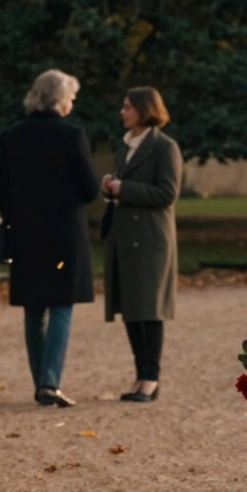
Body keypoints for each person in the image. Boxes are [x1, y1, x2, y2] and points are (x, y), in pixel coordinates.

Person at [0, 69, 99, 408]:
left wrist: (16, 215)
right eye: (71, 97)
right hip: (64, 234)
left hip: (26, 233)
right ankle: (50, 381)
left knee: (33, 308)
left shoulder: (12, 136)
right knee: (61, 306)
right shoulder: (72, 135)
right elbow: (89, 189)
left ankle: (41, 380)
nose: (72, 103)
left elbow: (0, 189)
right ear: (59, 99)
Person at [101, 86, 182, 403]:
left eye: (128, 107)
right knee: (132, 310)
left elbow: (167, 193)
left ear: (145, 109)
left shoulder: (164, 147)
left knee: (150, 310)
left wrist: (124, 188)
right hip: (124, 238)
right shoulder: (125, 147)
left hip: (150, 240)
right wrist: (111, 188)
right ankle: (140, 376)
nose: (123, 113)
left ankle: (151, 378)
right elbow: (124, 189)